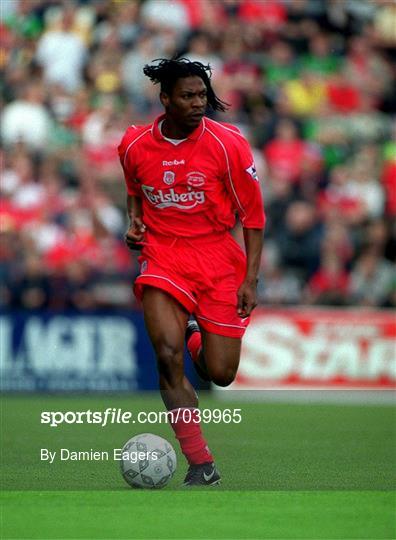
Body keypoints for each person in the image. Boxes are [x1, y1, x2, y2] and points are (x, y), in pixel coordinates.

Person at [118, 58, 265, 486]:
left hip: (218, 258)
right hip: (163, 255)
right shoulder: (133, 144)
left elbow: (253, 217)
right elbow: (134, 189)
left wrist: (250, 279)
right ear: (165, 99)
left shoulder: (229, 144)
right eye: (188, 96)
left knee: (220, 373)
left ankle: (197, 332)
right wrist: (135, 221)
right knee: (166, 357)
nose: (199, 103)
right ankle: (201, 463)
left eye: (202, 95)